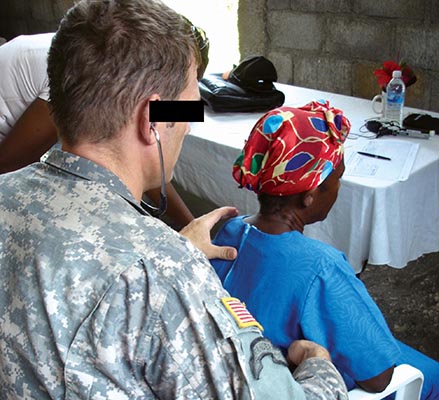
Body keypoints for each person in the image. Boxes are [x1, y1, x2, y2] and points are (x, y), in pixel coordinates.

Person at [0, 1, 349, 399]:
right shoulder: (163, 274)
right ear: (153, 118)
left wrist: (174, 248)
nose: (186, 123)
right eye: (189, 106)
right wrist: (318, 366)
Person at [211, 101, 439, 399]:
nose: (338, 188)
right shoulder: (321, 267)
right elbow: (379, 378)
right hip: (295, 383)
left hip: (243, 370)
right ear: (309, 196)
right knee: (430, 373)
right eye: (336, 179)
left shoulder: (230, 230)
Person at [0, 26, 204, 228]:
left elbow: (148, 147)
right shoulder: (79, 70)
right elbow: (9, 166)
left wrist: (189, 223)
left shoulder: (118, 61)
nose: (186, 129)